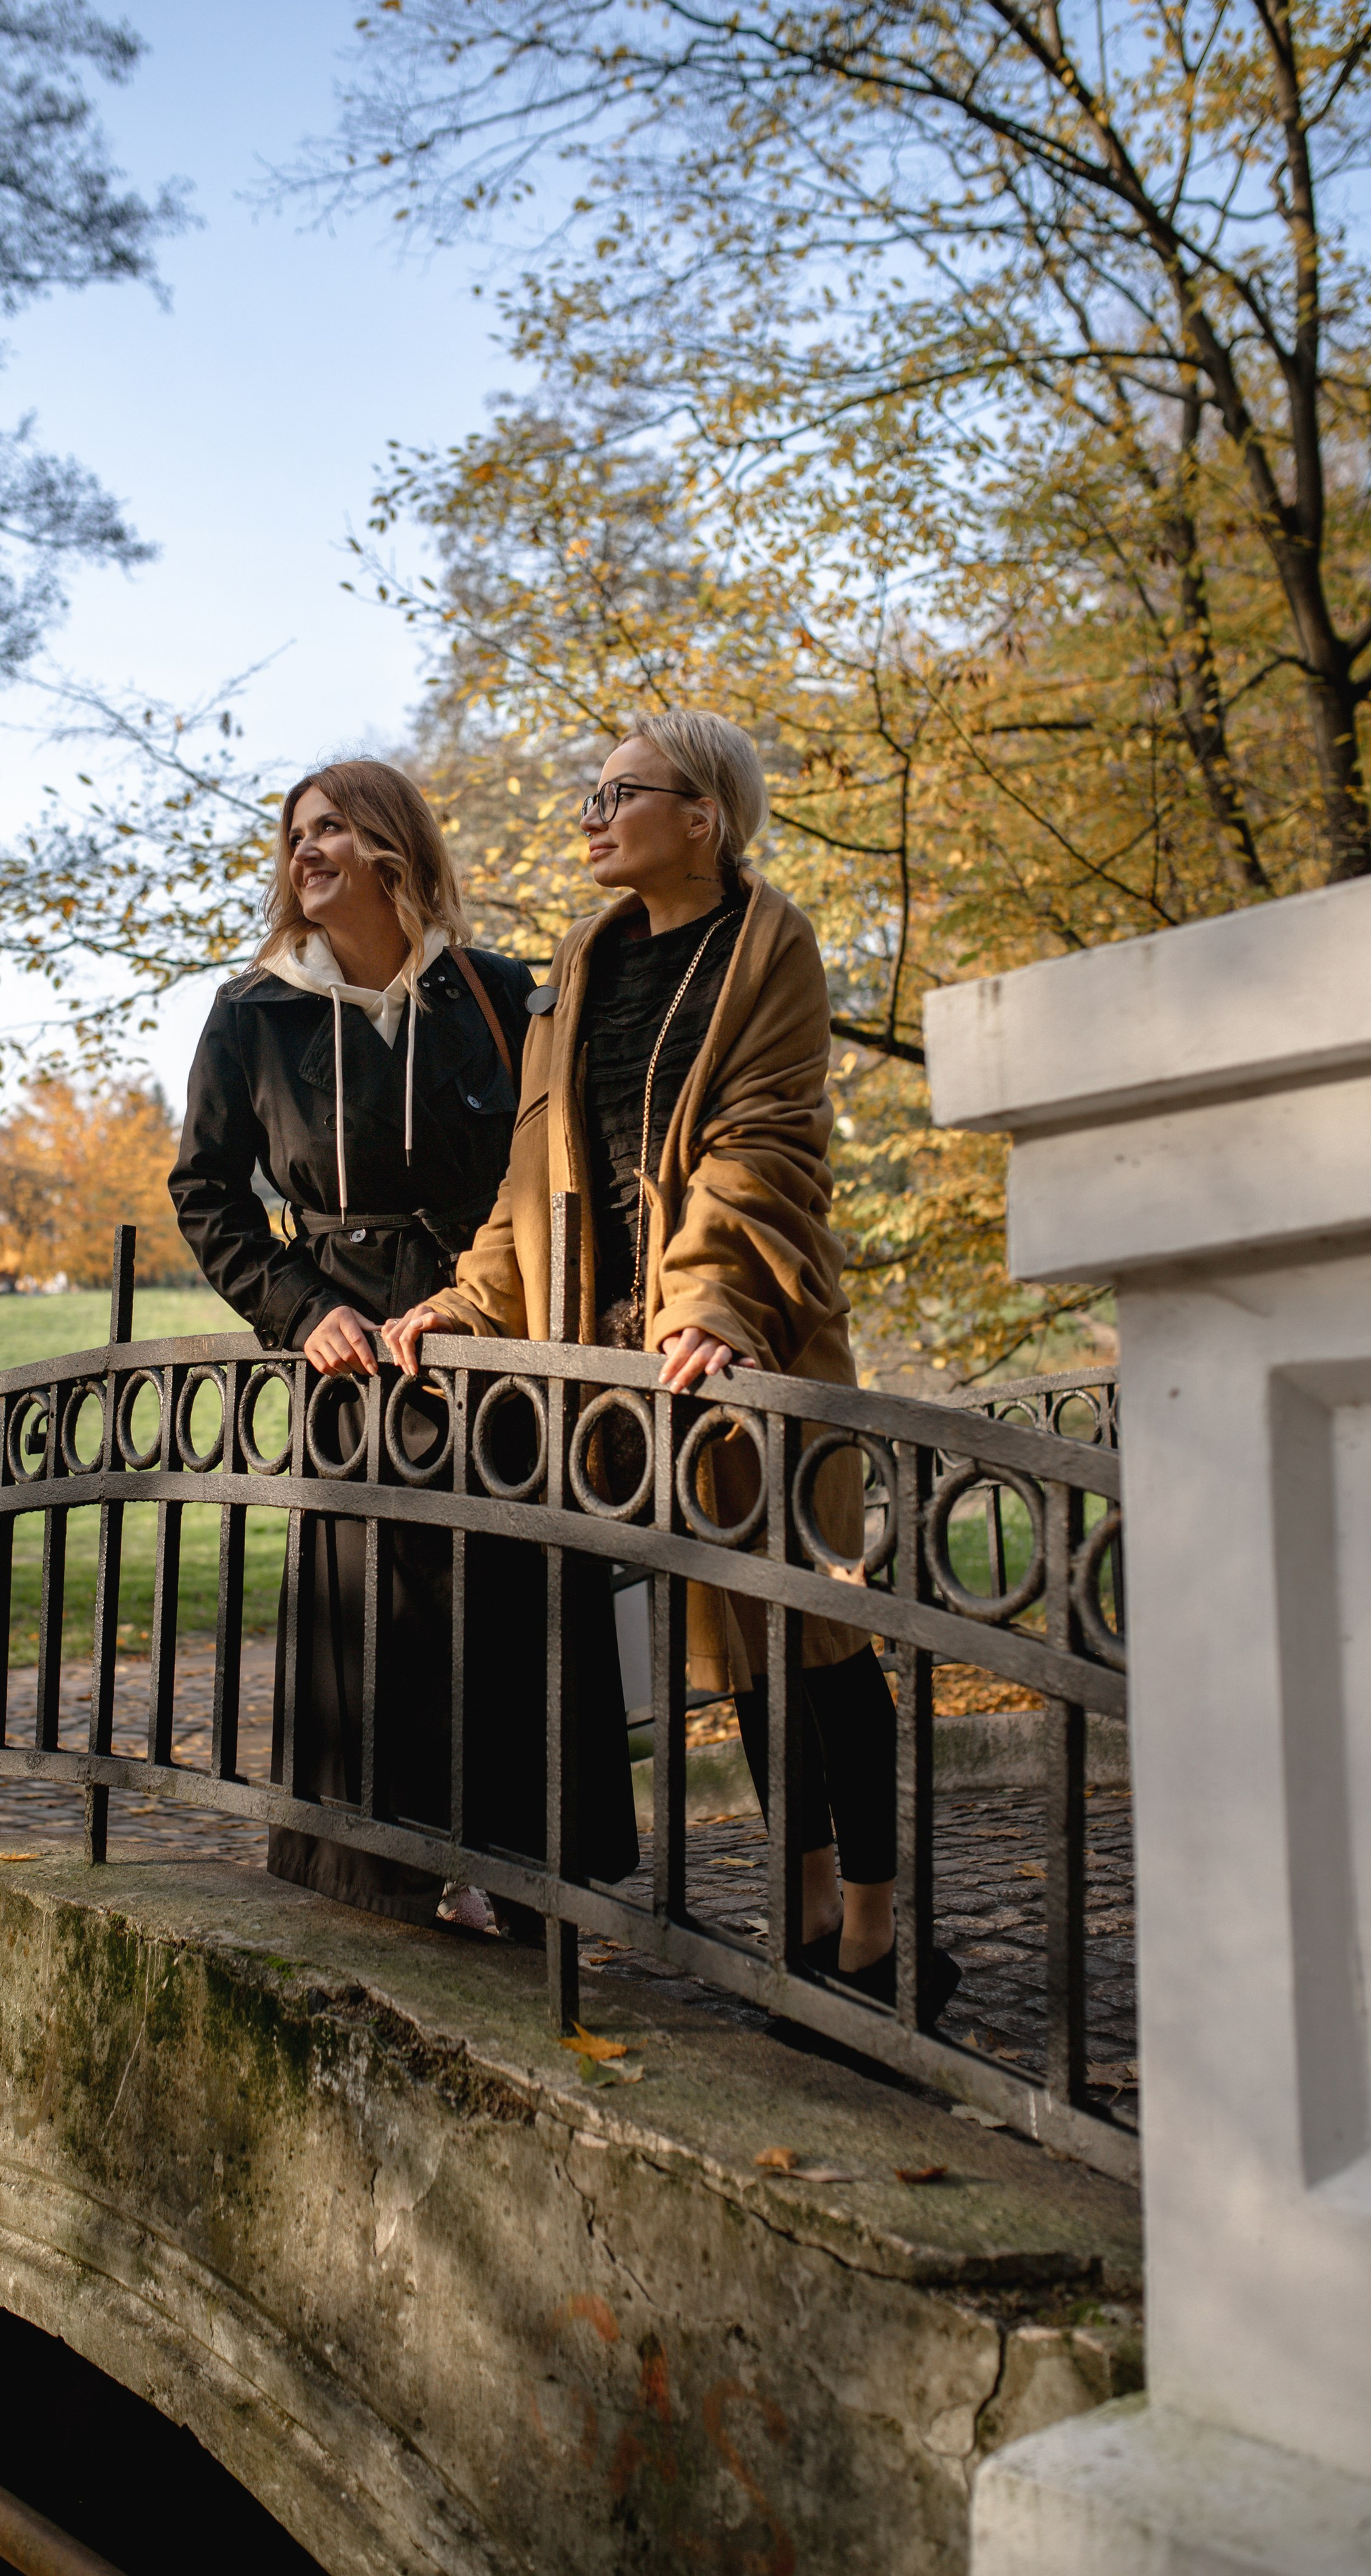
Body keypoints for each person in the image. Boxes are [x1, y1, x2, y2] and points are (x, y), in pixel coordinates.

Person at [389, 711, 948, 2006]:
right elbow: (534, 1171)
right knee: (739, 1635)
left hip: (746, 1342)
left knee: (818, 1629)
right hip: (623, 1361)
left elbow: (764, 1142)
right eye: (590, 791)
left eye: (620, 791)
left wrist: (704, 1305)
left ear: (703, 816)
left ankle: (874, 1933)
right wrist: (466, 1306)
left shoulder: (773, 942)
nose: (592, 811)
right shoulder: (578, 965)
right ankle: (802, 1913)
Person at [169, 758, 633, 1927]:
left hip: (499, 1344)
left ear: (392, 844)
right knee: (379, 1623)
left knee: (523, 1602)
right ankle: (385, 1886)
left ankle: (537, 1888)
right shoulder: (251, 1014)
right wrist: (299, 1310)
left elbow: (558, 1172)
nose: (304, 851)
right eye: (295, 836)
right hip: (355, 1357)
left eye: (331, 828)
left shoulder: (497, 994)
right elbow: (207, 1194)